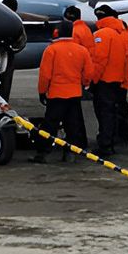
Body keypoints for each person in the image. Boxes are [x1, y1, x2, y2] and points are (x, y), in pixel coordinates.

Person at [32, 23, 92, 163]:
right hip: (74, 93)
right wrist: (83, 84)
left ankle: (43, 152)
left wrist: (42, 91)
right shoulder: (81, 50)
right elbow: (88, 72)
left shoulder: (51, 50)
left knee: (50, 125)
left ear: (56, 32)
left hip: (56, 94)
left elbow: (45, 75)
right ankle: (70, 152)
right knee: (73, 125)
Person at [88, 5, 128, 156]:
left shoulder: (101, 34)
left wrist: (93, 79)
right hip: (118, 79)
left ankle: (105, 143)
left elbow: (100, 59)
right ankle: (116, 138)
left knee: (104, 112)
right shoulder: (122, 33)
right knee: (114, 111)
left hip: (104, 80)